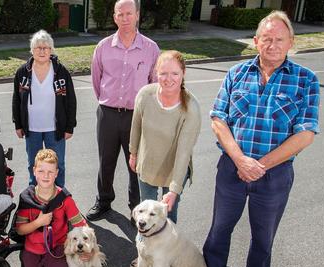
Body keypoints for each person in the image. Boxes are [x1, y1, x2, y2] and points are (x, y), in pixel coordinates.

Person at [198, 11, 320, 267]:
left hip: (274, 175)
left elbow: (305, 134)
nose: (273, 44)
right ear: (256, 41)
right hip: (231, 169)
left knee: (263, 236)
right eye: (267, 38)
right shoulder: (236, 73)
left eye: (280, 39)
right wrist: (240, 159)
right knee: (219, 228)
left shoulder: (306, 80)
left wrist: (259, 165)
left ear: (291, 41)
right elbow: (218, 119)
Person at [87, 0, 160, 221]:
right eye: (121, 14)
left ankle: (136, 208)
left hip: (136, 116)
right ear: (114, 17)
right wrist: (106, 102)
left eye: (129, 13)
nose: (125, 18)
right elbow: (96, 79)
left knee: (135, 163)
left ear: (137, 15)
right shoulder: (103, 47)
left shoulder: (151, 48)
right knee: (105, 160)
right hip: (107, 113)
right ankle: (104, 200)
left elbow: (154, 83)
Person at [129, 50, 201, 224]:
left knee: (167, 217)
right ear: (156, 73)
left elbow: (184, 153)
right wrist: (133, 153)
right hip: (148, 164)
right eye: (163, 73)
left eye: (175, 73)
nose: (169, 79)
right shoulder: (145, 95)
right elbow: (136, 126)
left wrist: (174, 190)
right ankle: (145, 249)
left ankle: (169, 250)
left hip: (174, 169)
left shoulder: (191, 108)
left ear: (183, 73)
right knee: (145, 215)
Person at [14, 149, 86, 267]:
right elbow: (20, 230)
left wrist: (86, 249)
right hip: (33, 249)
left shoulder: (64, 199)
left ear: (56, 173)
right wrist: (38, 222)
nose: (45, 176)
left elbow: (81, 225)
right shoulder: (27, 197)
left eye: (50, 172)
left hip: (56, 248)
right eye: (41, 171)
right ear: (34, 171)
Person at [12, 29, 77, 188]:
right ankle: (34, 198)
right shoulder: (22, 72)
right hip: (32, 128)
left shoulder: (61, 72)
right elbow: (16, 99)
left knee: (58, 164)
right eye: (38, 47)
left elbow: (71, 101)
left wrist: (69, 126)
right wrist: (18, 124)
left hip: (55, 128)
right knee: (33, 165)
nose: (42, 51)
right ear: (32, 50)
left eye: (46, 47)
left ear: (51, 50)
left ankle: (59, 197)